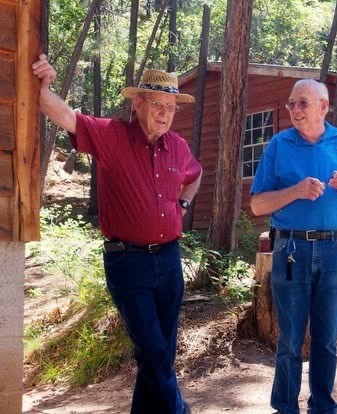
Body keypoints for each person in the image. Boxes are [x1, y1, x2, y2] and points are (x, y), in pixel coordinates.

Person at [32, 54, 202, 414]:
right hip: (128, 261)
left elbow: (195, 174)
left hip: (169, 260)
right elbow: (65, 116)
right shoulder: (112, 135)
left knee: (159, 354)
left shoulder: (178, 147)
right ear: (138, 103)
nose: (165, 114)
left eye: (171, 107)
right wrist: (43, 87)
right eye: (158, 104)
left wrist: (183, 205)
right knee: (153, 350)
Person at [250, 79, 337, 414]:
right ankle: (285, 408)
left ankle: (323, 407)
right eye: (291, 103)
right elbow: (258, 205)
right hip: (291, 249)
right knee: (290, 341)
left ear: (324, 106)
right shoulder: (279, 145)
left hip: (334, 251)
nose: (295, 109)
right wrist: (296, 191)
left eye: (302, 102)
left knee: (326, 340)